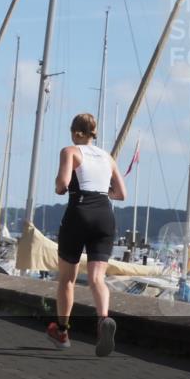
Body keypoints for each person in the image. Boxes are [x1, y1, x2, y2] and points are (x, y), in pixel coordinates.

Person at [46, 113, 126, 356]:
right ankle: (103, 321)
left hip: (79, 211)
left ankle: (62, 331)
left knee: (67, 278)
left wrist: (60, 187)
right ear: (93, 133)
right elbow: (121, 194)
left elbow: (62, 183)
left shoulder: (70, 151)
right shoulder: (108, 157)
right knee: (97, 279)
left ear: (75, 132)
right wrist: (102, 194)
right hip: (104, 214)